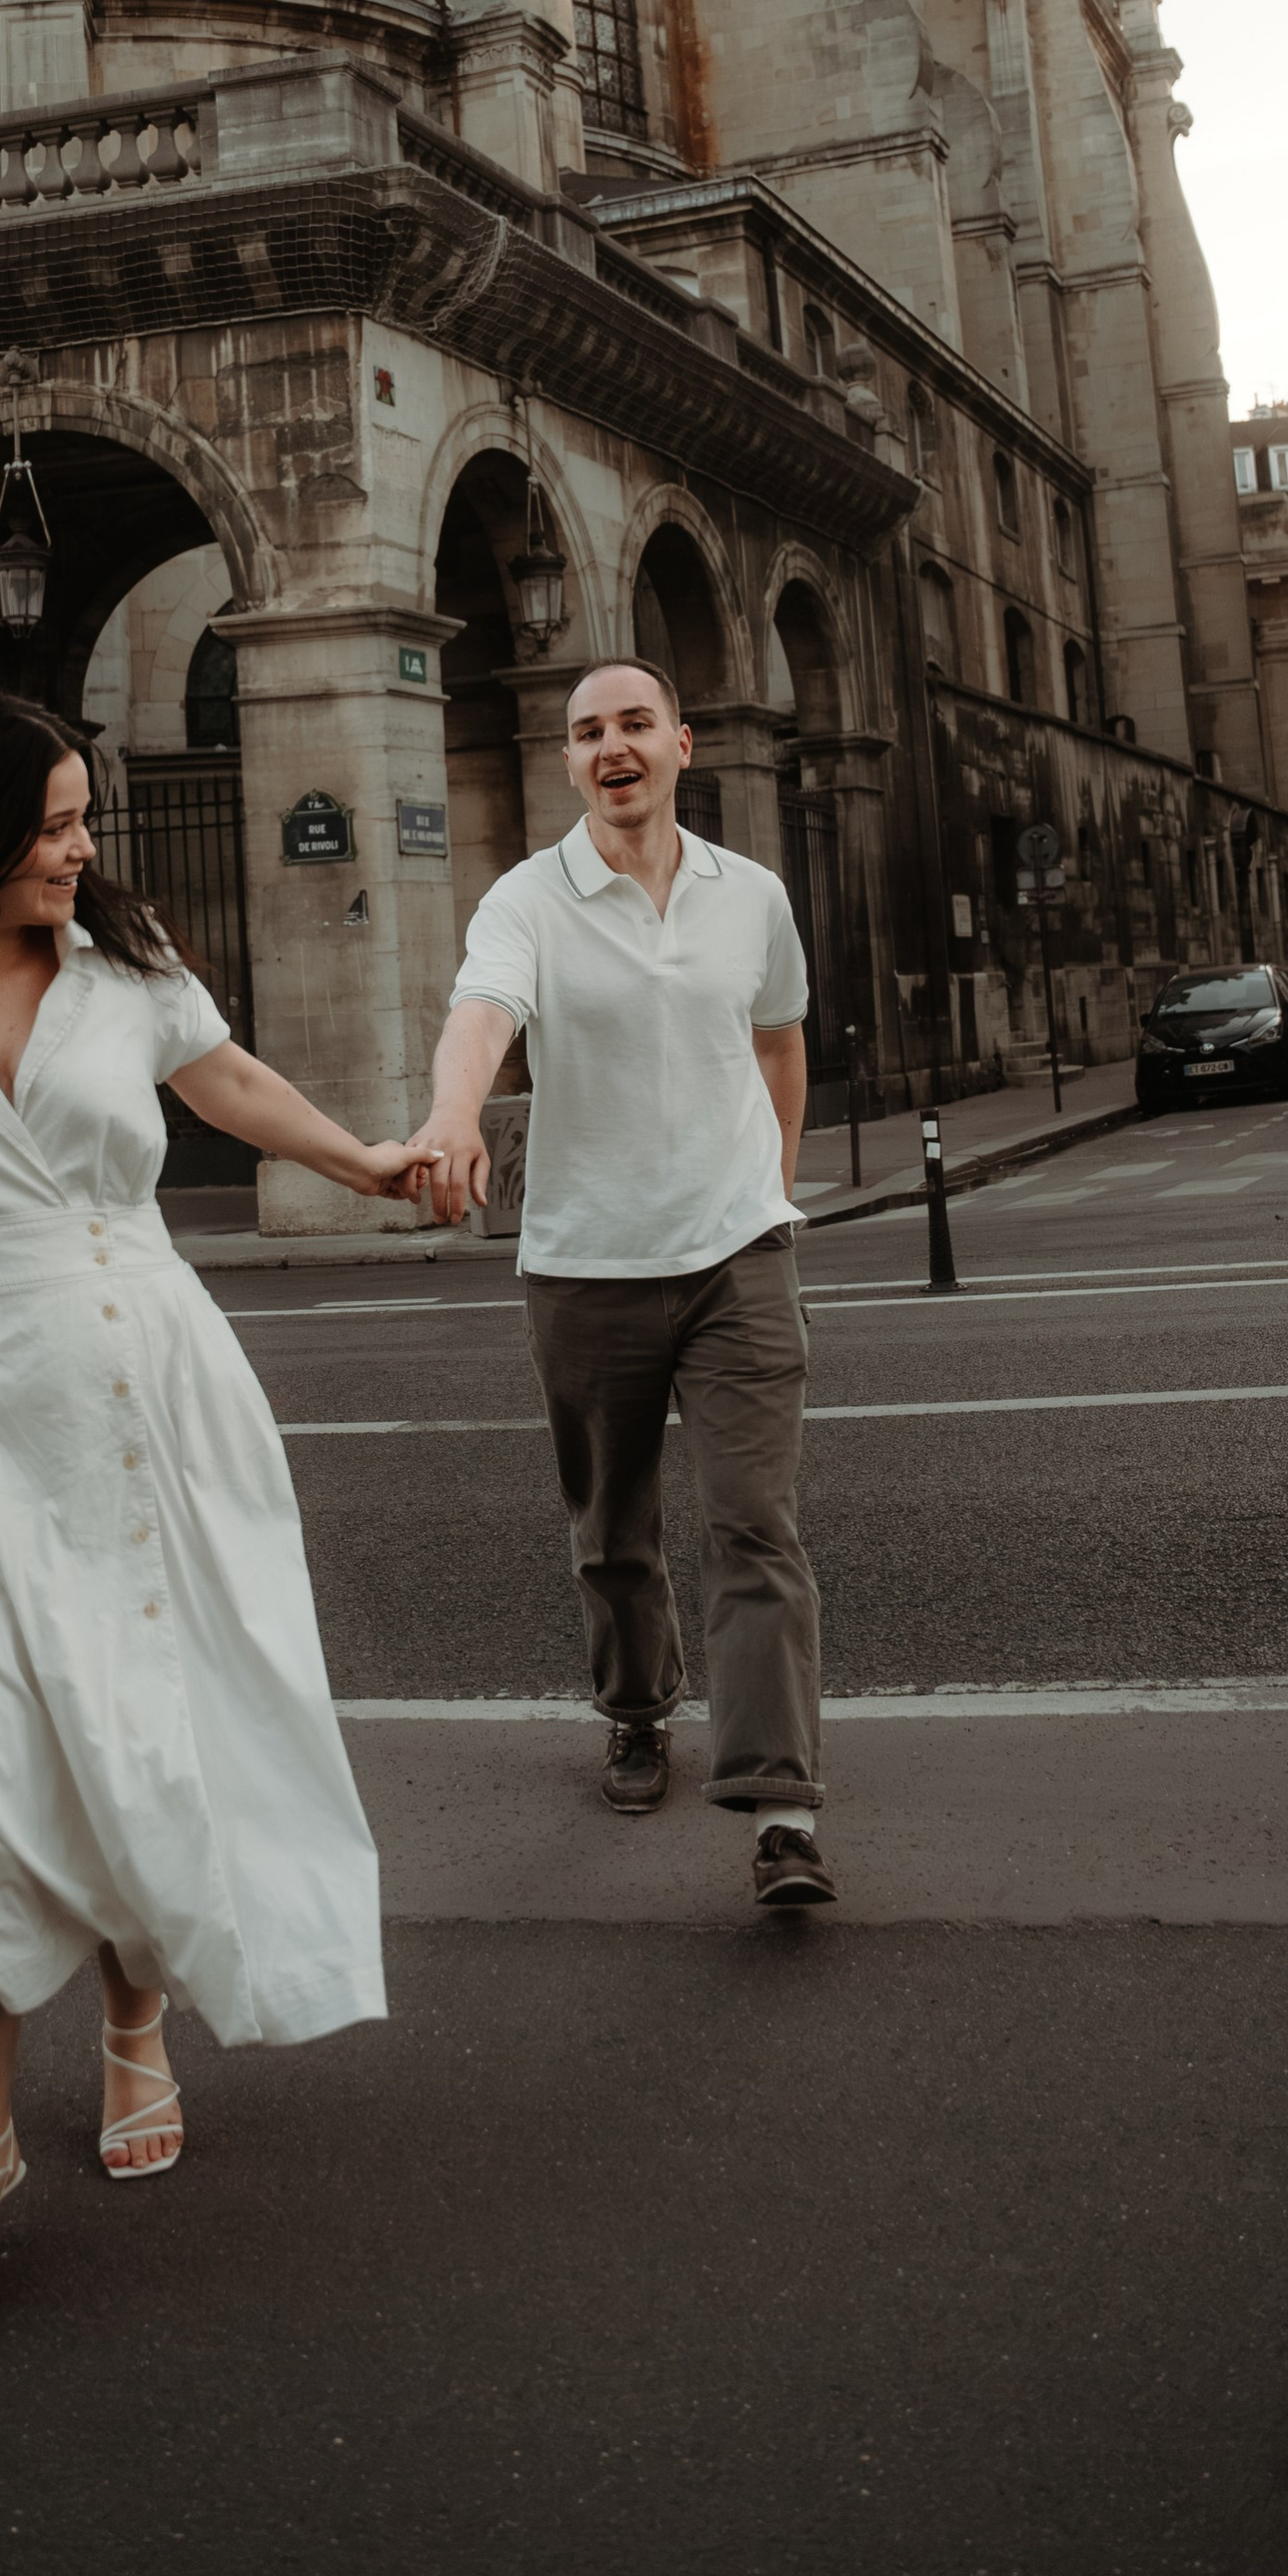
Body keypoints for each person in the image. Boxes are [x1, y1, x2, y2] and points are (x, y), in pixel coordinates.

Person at [0, 691, 437, 2322]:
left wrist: (369, 1162)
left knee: (123, 1727)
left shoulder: (122, 973)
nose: (80, 847)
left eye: (83, 818)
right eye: (52, 822)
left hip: (134, 1391)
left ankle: (135, 2031)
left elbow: (233, 1081)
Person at [417, 656, 835, 1916]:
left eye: (634, 724)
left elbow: (776, 1038)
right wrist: (453, 1115)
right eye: (587, 730)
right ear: (569, 763)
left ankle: (778, 1809)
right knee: (615, 1532)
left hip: (735, 1260)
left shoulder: (750, 895)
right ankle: (638, 1710)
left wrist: (770, 1183)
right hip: (585, 1267)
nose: (613, 746)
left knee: (755, 1525)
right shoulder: (526, 901)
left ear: (681, 746)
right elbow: (482, 1013)